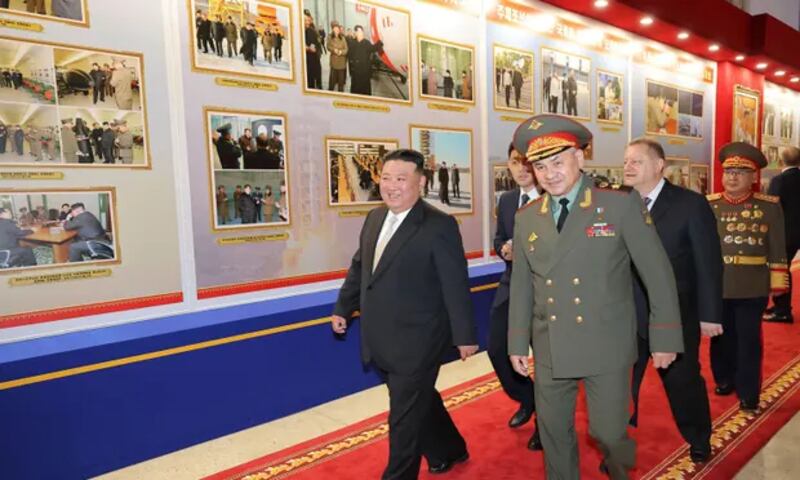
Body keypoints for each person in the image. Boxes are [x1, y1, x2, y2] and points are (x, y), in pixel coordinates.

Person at [508, 115, 683, 480]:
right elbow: (523, 284)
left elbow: (658, 274)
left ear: (580, 158)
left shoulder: (618, 205)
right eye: (540, 166)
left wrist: (665, 336)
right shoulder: (527, 217)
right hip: (550, 343)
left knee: (607, 433)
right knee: (554, 433)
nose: (550, 173)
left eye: (558, 162)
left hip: (606, 342)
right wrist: (516, 341)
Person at [331, 148, 478, 479]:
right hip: (378, 336)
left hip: (419, 339)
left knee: (402, 418)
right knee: (417, 401)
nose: (391, 186)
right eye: (386, 178)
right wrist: (343, 306)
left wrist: (465, 336)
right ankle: (450, 448)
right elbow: (360, 268)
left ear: (421, 182)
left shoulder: (439, 225)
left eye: (401, 179)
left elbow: (455, 283)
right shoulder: (374, 218)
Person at [623, 138, 722, 464]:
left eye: (636, 161)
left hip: (676, 315)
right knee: (617, 385)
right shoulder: (616, 204)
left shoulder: (690, 204)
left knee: (682, 381)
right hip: (625, 315)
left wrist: (710, 314)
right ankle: (616, 443)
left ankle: (698, 437)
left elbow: (707, 263)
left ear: (659, 165)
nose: (628, 167)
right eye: (626, 161)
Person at [708, 142, 788, 412]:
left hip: (752, 284)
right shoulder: (710, 205)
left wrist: (778, 281)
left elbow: (777, 246)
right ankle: (724, 378)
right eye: (729, 171)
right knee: (719, 337)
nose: (732, 176)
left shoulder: (768, 207)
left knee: (748, 340)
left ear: (754, 177)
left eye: (741, 172)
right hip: (717, 284)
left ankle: (748, 390)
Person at [491, 144, 541, 449]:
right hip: (511, 287)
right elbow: (499, 237)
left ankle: (546, 425)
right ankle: (528, 398)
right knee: (498, 349)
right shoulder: (508, 200)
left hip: (547, 292)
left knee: (548, 363)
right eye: (515, 162)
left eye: (528, 163)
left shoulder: (554, 198)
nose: (521, 169)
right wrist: (503, 249)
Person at [764, 146, 800, 323]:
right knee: (783, 269)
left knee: (780, 269)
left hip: (784, 233)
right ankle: (780, 306)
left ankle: (783, 310)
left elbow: (772, 208)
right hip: (796, 232)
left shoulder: (779, 181)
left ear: (781, 160)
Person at [348, 25, 380, 95]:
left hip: (365, 71)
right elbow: (349, 57)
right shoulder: (352, 43)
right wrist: (351, 70)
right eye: (359, 31)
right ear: (356, 33)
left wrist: (380, 41)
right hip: (356, 72)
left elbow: (373, 48)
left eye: (362, 31)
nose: (361, 33)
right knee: (355, 91)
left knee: (365, 90)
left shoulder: (366, 42)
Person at [327, 21, 348, 92]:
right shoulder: (330, 37)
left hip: (341, 63)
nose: (336, 30)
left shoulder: (343, 38)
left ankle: (341, 94)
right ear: (333, 29)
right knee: (332, 81)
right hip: (333, 63)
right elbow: (328, 46)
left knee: (341, 82)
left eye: (337, 29)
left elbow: (346, 49)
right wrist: (334, 50)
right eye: (335, 29)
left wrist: (341, 52)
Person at [304, 12, 323, 89]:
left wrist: (315, 50)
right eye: (306, 20)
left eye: (309, 20)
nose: (308, 22)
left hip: (313, 58)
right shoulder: (298, 30)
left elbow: (316, 42)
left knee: (312, 79)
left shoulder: (312, 31)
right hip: (304, 61)